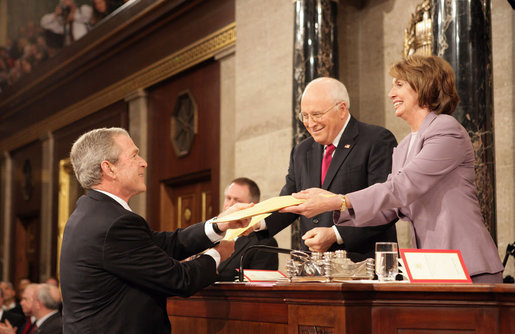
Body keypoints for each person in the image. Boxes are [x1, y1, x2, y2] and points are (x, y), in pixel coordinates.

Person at [283, 55, 504, 283]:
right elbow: (388, 209)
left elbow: (401, 187)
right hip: (431, 266)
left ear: (423, 84)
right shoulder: (406, 145)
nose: (391, 94)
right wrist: (333, 222)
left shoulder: (447, 130)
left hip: (467, 266)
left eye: (399, 84)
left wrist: (337, 200)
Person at [59, 127, 250, 333]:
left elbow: (167, 244)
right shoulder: (113, 224)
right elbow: (180, 279)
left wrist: (219, 224)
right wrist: (218, 254)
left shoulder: (93, 212)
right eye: (134, 155)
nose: (144, 162)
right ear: (109, 168)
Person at [258, 77, 398, 262]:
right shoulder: (302, 151)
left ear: (341, 110)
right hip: (313, 267)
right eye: (305, 116)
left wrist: (335, 234)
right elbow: (289, 201)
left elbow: (385, 204)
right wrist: (253, 223)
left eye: (316, 114)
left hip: (363, 265)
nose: (310, 123)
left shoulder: (376, 140)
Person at [217, 178, 279, 281]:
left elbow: (259, 290)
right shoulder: (213, 234)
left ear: (252, 206)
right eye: (228, 198)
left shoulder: (264, 243)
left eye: (237, 201)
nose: (230, 205)